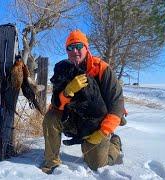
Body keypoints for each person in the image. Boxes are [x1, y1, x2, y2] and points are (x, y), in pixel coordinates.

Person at [41, 30, 125, 174]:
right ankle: (52, 163)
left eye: (79, 46)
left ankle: (115, 144)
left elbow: (117, 107)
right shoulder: (63, 69)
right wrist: (67, 92)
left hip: (97, 123)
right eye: (70, 47)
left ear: (87, 48)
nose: (75, 50)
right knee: (51, 117)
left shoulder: (102, 69)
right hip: (74, 119)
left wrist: (102, 132)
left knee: (97, 165)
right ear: (67, 51)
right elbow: (56, 105)